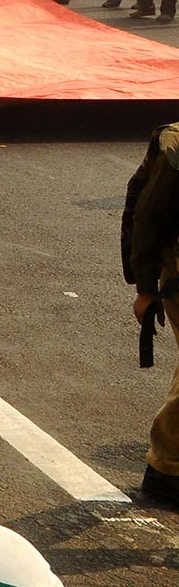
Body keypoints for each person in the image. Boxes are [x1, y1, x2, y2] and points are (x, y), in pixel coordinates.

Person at [124, 122, 179, 507]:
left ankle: (166, 467)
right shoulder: (175, 147)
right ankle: (165, 467)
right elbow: (148, 217)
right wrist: (145, 289)